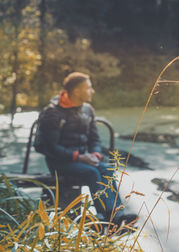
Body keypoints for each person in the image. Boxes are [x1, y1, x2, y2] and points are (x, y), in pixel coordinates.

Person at [39, 72, 137, 227]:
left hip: (84, 159)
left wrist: (96, 154)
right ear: (77, 92)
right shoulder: (53, 112)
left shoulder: (87, 110)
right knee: (91, 172)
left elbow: (94, 139)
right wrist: (79, 157)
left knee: (107, 169)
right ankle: (108, 219)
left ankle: (118, 216)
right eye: (89, 88)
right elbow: (50, 148)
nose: (92, 91)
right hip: (59, 162)